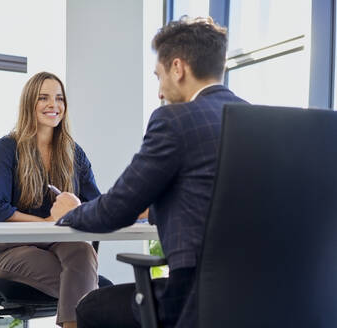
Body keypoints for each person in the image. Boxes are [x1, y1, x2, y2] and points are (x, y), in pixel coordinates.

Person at [50, 16, 248, 328]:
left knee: (90, 306)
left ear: (178, 68)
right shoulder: (255, 121)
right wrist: (156, 207)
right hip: (260, 296)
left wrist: (73, 211)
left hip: (192, 299)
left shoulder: (174, 119)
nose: (159, 91)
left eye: (159, 76)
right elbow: (219, 200)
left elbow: (114, 210)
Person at [0, 72, 101, 328]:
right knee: (87, 291)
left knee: (82, 250)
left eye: (59, 98)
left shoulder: (73, 152)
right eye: (43, 98)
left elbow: (96, 202)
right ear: (29, 104)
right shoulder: (8, 148)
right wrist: (45, 221)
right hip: (11, 249)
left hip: (60, 243)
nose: (53, 105)